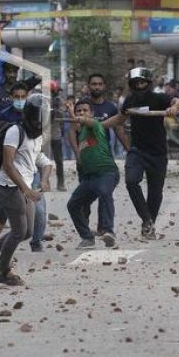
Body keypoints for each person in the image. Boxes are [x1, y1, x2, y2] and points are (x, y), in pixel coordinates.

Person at [0, 94, 53, 286]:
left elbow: (43, 161)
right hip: (9, 187)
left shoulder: (38, 137)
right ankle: (3, 271)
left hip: (24, 188)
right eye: (38, 120)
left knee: (27, 232)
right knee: (19, 231)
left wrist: (44, 179)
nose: (39, 125)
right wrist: (25, 189)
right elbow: (8, 164)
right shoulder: (15, 131)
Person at [121, 67, 179, 239]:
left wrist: (175, 107)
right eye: (136, 83)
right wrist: (98, 124)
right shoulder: (129, 102)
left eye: (142, 83)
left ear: (148, 84)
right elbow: (119, 119)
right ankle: (146, 218)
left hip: (157, 153)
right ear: (132, 85)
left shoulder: (159, 98)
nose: (139, 86)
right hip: (137, 151)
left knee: (155, 192)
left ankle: (149, 225)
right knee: (131, 181)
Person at [66, 98, 125, 248]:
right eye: (79, 111)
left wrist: (76, 116)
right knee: (73, 205)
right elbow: (75, 128)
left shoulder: (96, 126)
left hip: (106, 172)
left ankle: (108, 231)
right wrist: (72, 114)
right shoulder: (81, 133)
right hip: (89, 178)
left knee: (104, 192)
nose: (82, 113)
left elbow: (88, 122)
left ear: (92, 113)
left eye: (85, 110)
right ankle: (87, 237)